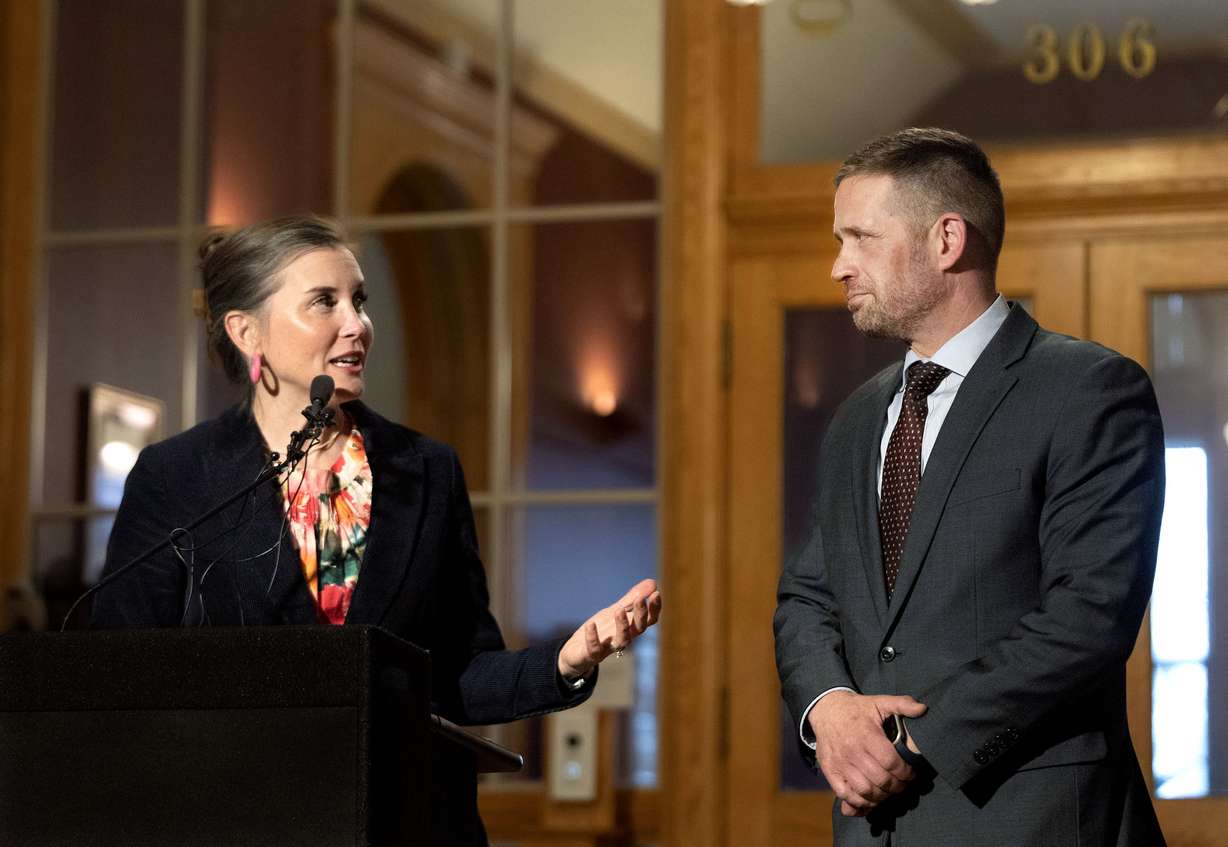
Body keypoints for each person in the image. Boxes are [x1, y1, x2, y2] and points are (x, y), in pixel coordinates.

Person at [92, 215, 662, 845]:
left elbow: (458, 671)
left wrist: (567, 660)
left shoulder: (427, 469)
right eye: (324, 302)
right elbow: (120, 674)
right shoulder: (176, 477)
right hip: (243, 820)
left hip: (410, 822)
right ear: (246, 331)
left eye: (359, 301)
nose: (357, 324)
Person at [774, 128, 1166, 845]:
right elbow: (807, 597)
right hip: (871, 828)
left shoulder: (1090, 390)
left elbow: (1089, 616)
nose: (838, 265)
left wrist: (906, 744)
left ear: (947, 238)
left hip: (1032, 821)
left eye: (859, 237)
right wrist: (829, 710)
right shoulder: (856, 418)